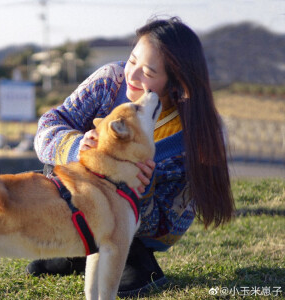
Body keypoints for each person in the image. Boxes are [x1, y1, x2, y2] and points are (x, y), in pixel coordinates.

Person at [26, 16, 235, 297]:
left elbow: (167, 224)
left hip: (138, 228)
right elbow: (51, 123)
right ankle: (81, 245)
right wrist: (76, 147)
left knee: (123, 224)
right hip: (86, 200)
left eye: (147, 72)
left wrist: (141, 188)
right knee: (53, 169)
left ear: (178, 83)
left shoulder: (194, 134)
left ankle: (131, 259)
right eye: (132, 59)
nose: (132, 75)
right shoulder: (109, 81)